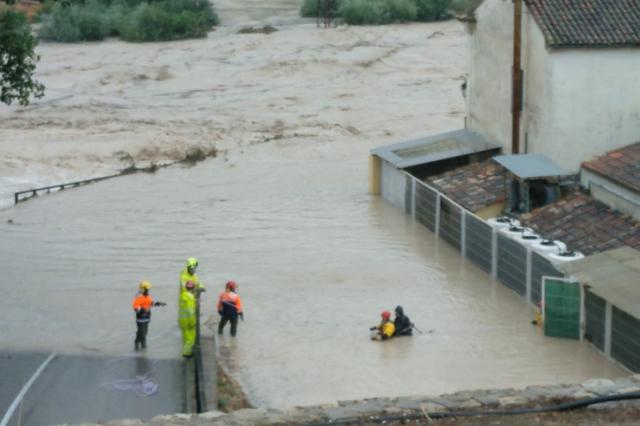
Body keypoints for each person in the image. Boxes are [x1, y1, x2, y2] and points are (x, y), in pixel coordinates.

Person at [132, 280, 166, 351]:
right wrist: (143, 310)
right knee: (142, 332)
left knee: (145, 332)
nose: (148, 290)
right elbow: (135, 307)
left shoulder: (148, 296)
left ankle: (138, 341)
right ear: (143, 288)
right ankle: (141, 344)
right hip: (141, 318)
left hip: (147, 317)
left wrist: (159, 303)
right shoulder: (139, 297)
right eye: (147, 289)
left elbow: (150, 303)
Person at [178, 280, 197, 357]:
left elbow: (183, 307)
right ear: (193, 288)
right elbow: (190, 311)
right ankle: (187, 353)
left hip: (181, 319)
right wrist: (192, 322)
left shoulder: (182, 295)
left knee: (185, 337)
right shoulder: (190, 297)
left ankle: (185, 351)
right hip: (188, 320)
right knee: (190, 338)